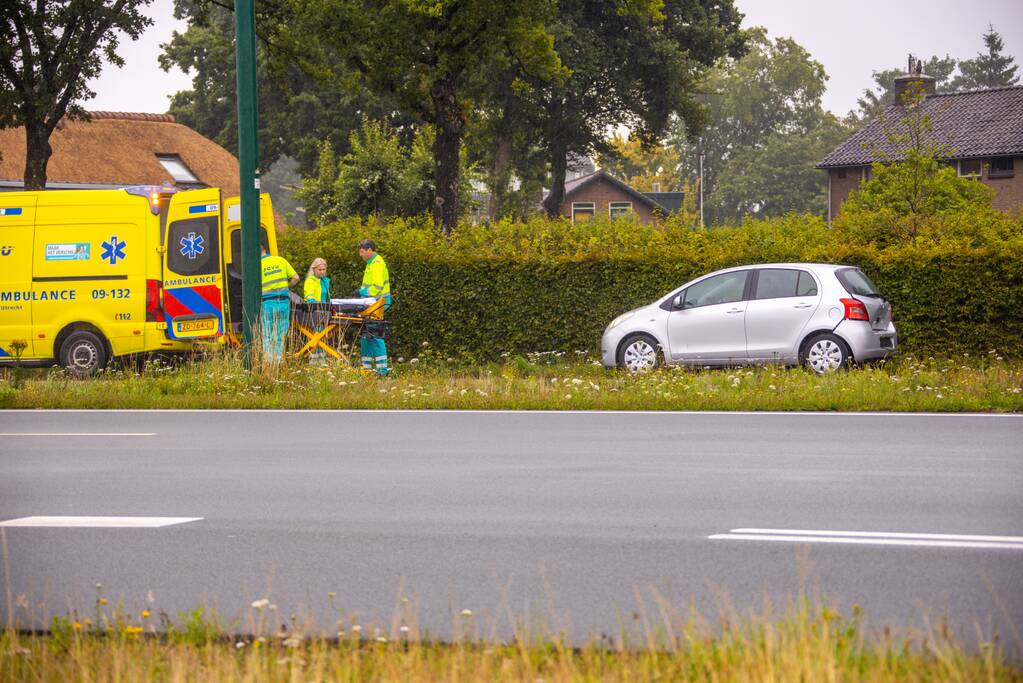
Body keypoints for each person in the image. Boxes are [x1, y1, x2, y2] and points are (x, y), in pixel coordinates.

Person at [260, 245, 299, 362]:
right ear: (264, 250)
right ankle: (279, 362)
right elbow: (296, 278)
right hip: (283, 302)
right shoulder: (280, 260)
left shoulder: (257, 265)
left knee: (268, 335)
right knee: (280, 336)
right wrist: (287, 287)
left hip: (268, 304)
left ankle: (269, 362)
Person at [357, 238, 391, 375]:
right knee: (366, 336)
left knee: (375, 335)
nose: (360, 255)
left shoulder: (377, 264)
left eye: (362, 252)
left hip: (378, 304)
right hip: (371, 304)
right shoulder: (371, 263)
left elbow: (376, 288)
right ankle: (366, 368)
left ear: (370, 250)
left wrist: (361, 292)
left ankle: (382, 370)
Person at [303, 257, 330, 363]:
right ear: (313, 269)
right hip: (315, 311)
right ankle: (314, 361)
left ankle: (322, 360)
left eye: (324, 269)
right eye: (320, 270)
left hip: (324, 311)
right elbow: (308, 295)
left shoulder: (324, 281)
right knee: (316, 335)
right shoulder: (310, 281)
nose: (322, 272)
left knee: (322, 336)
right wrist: (314, 302)